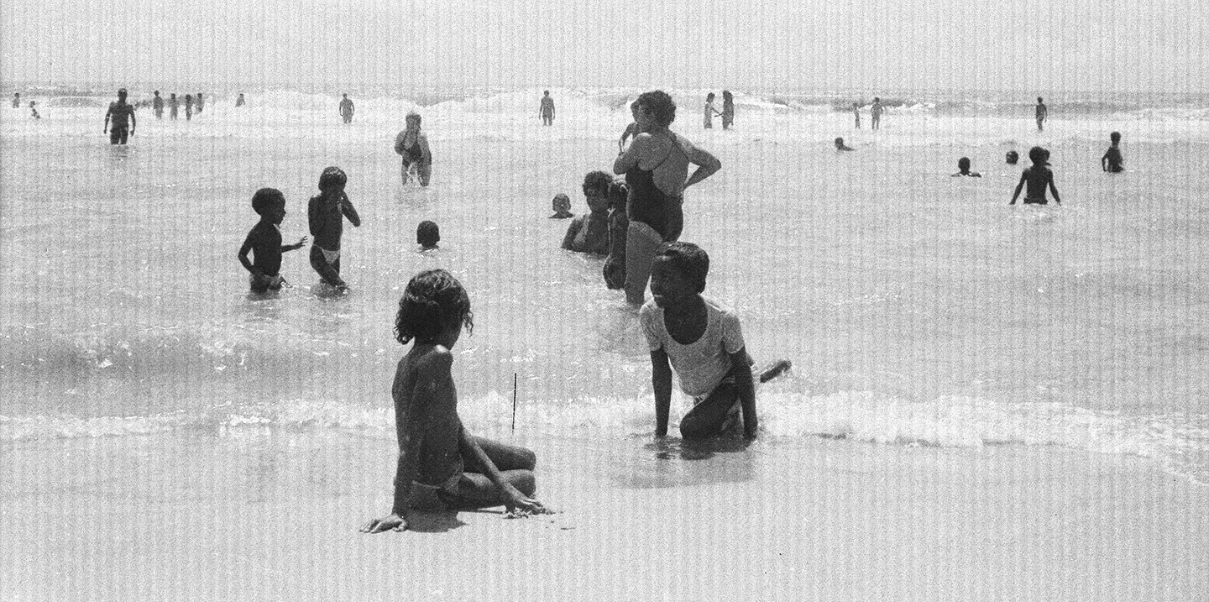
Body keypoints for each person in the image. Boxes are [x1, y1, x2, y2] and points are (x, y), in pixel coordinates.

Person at [360, 269, 547, 534]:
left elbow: (456, 429)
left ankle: (479, 481)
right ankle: (460, 490)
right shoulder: (438, 357)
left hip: (434, 469)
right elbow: (411, 440)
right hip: (437, 489)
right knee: (526, 479)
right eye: (460, 319)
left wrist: (503, 487)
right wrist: (398, 511)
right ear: (448, 319)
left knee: (526, 458)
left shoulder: (407, 362)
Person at [642, 242, 759, 440]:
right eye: (654, 277)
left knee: (690, 429)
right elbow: (661, 373)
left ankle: (737, 406)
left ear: (695, 285)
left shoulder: (723, 318)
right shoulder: (650, 315)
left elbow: (742, 370)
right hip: (704, 387)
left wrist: (751, 430)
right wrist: (660, 433)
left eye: (667, 278)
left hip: (733, 379)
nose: (655, 285)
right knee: (703, 422)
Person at [613, 90, 721, 305]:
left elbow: (618, 168)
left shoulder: (643, 140)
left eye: (641, 113)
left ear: (652, 115)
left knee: (633, 289)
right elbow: (713, 164)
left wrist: (623, 144)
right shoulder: (683, 143)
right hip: (673, 221)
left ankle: (630, 336)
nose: (637, 118)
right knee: (661, 289)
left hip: (645, 220)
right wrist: (686, 184)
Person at [238, 188, 308, 294]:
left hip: (275, 276)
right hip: (261, 279)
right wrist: (254, 271)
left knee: (291, 292)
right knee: (259, 305)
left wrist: (292, 247)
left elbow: (275, 250)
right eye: (280, 209)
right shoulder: (256, 232)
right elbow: (242, 254)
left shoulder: (275, 229)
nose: (284, 212)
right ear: (266, 211)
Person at [308, 167, 362, 291]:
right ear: (324, 187)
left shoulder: (341, 199)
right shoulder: (316, 200)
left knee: (328, 289)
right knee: (342, 288)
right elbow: (313, 230)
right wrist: (327, 208)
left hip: (335, 254)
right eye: (334, 190)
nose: (338, 193)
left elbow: (356, 222)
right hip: (319, 253)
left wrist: (347, 203)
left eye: (341, 189)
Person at [561, 171, 612, 255]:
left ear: (608, 197)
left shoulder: (614, 224)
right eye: (589, 195)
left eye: (596, 195)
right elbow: (564, 254)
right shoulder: (578, 223)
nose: (591, 199)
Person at [602, 179, 629, 290]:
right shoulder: (627, 215)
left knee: (613, 290)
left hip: (613, 257)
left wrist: (613, 257)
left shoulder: (614, 214)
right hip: (621, 259)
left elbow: (615, 239)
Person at [394, 112, 433, 187]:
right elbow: (396, 148)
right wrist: (403, 153)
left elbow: (426, 156)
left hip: (423, 158)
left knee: (424, 185)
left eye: (413, 124)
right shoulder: (402, 135)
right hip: (408, 157)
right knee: (405, 185)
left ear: (418, 125)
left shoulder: (421, 137)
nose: (410, 126)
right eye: (408, 123)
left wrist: (417, 167)